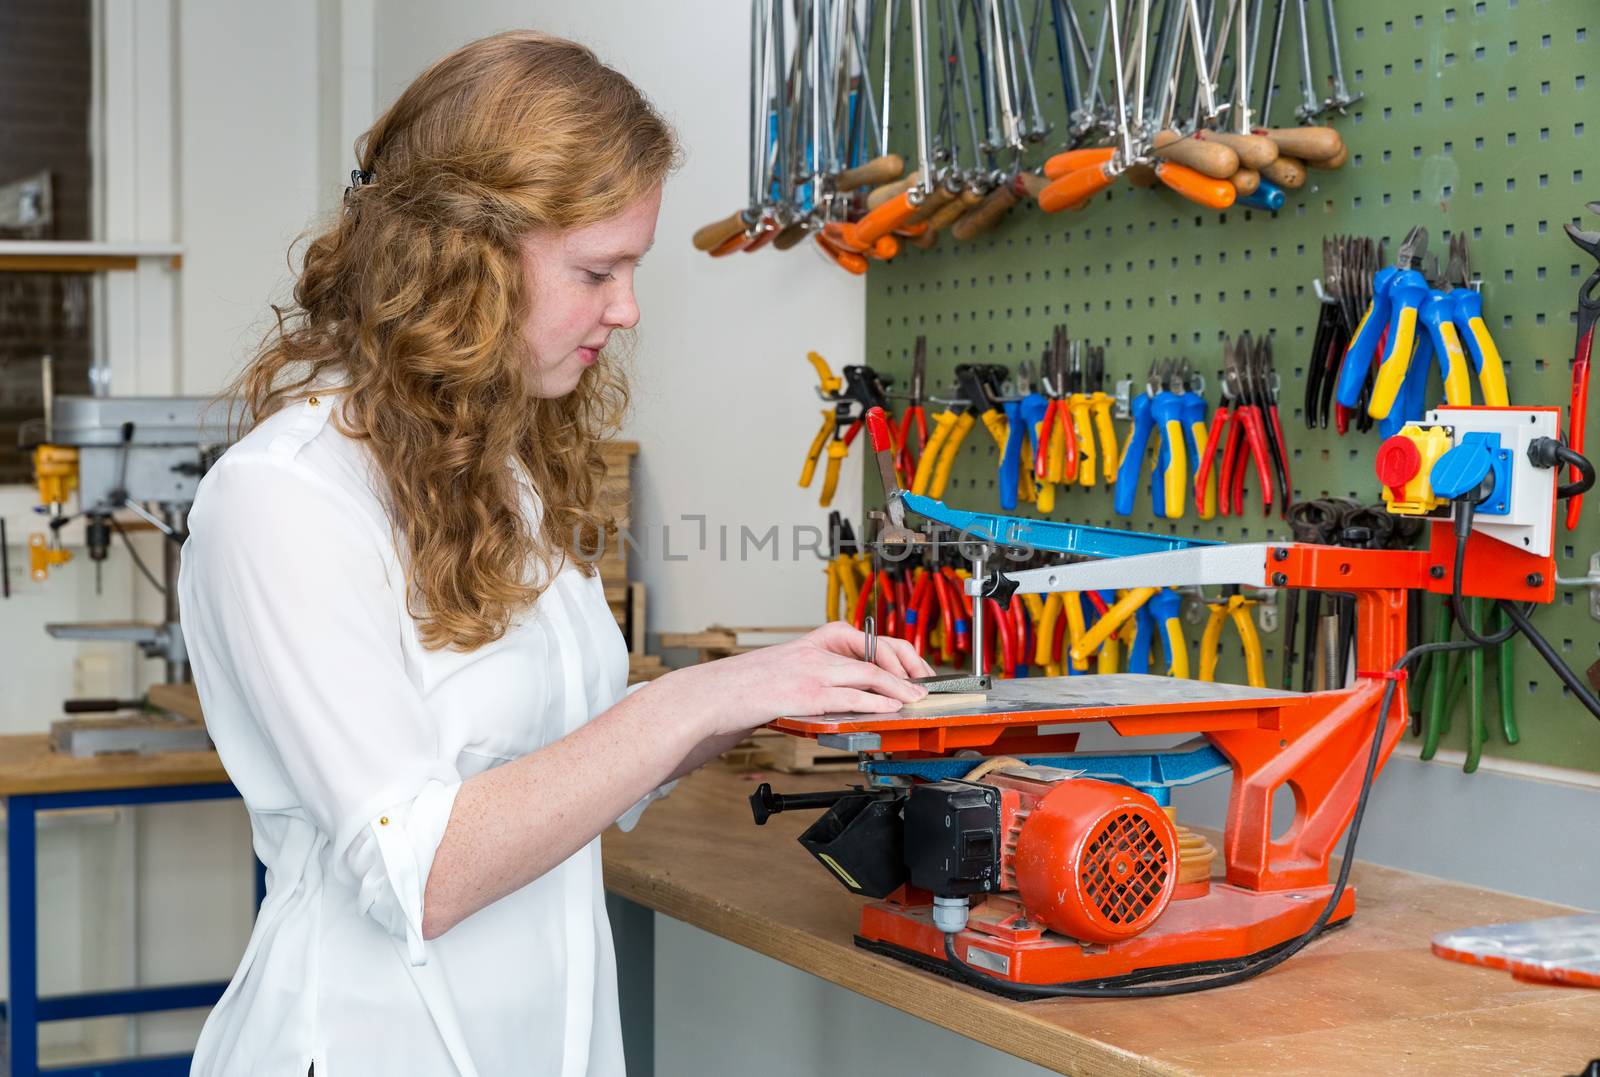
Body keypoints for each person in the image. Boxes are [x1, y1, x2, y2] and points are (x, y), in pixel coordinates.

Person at [177, 30, 932, 1077]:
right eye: (597, 269)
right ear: (464, 262)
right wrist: (687, 703)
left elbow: (582, 774)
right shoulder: (283, 500)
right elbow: (420, 871)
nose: (624, 310)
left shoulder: (495, 473)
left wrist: (765, 690)